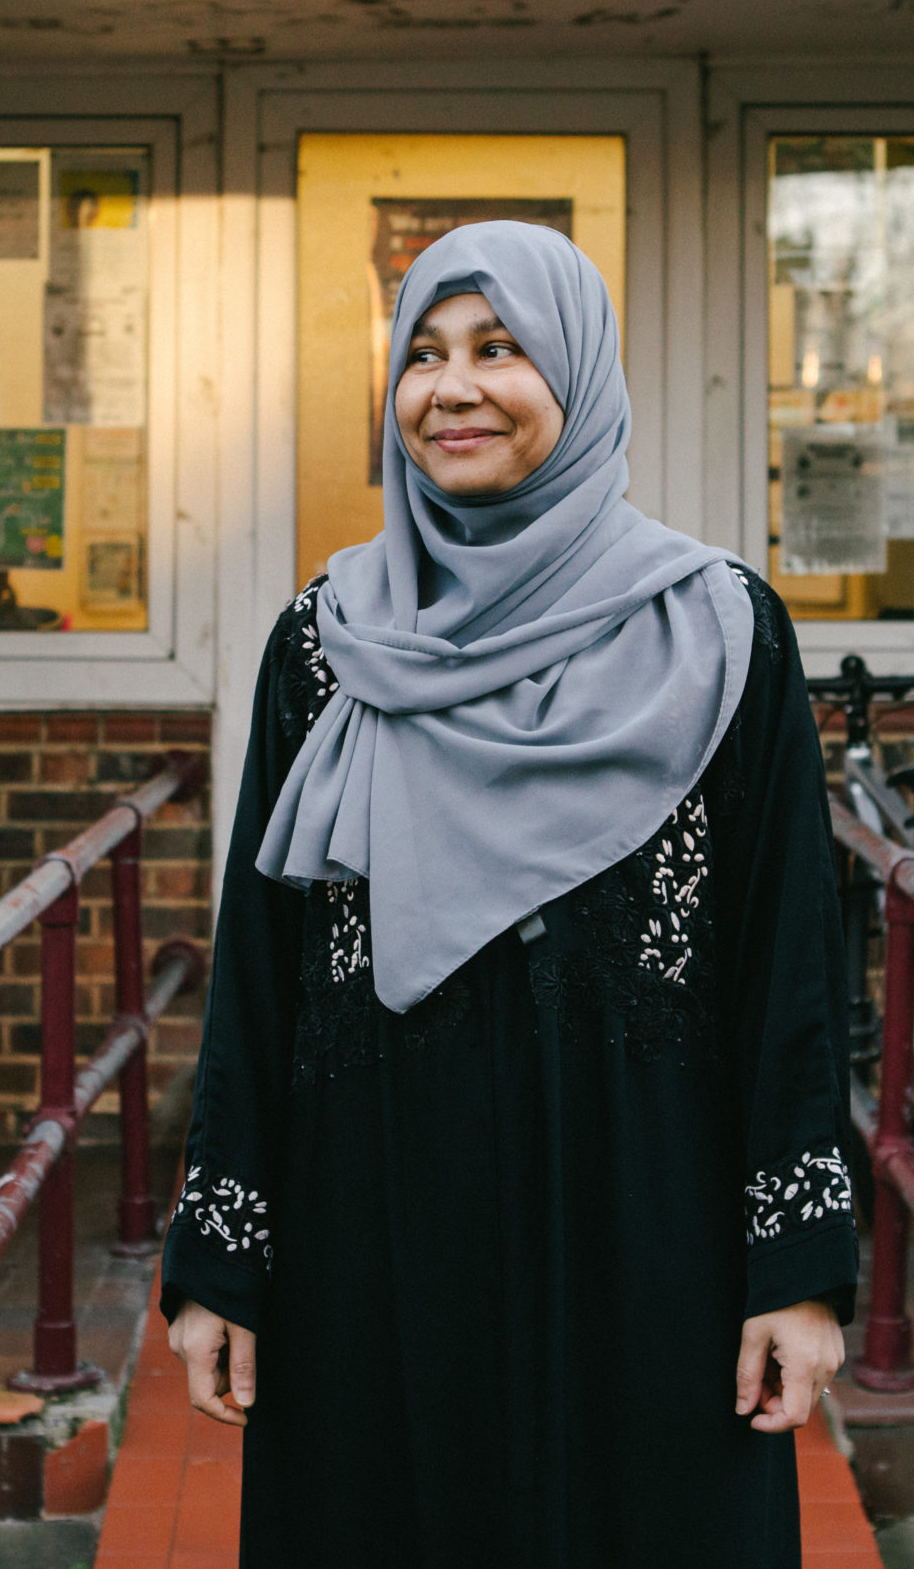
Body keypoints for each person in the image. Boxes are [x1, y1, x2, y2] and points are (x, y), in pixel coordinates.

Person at [161, 220, 858, 1565]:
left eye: (498, 349)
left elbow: (790, 966)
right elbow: (261, 961)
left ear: (578, 374)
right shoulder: (329, 643)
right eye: (422, 354)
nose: (451, 387)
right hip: (374, 1238)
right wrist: (222, 1262)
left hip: (650, 1235)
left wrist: (800, 1273)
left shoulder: (719, 631)